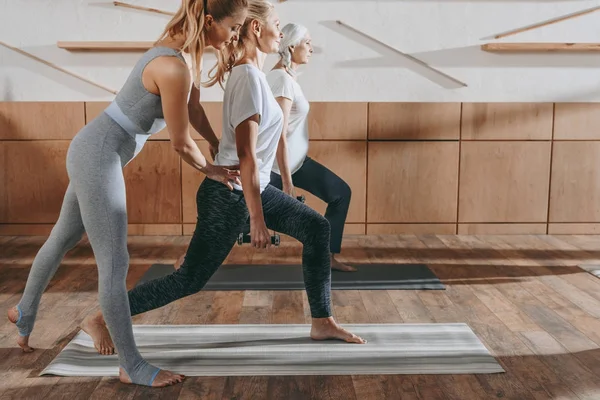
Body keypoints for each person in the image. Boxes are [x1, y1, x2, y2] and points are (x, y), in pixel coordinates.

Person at [81, 0, 367, 360]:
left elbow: (251, 149)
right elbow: (246, 155)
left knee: (317, 228)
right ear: (257, 30)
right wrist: (258, 220)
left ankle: (322, 320)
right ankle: (100, 317)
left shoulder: (257, 76)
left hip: (251, 188)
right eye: (276, 24)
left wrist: (274, 186)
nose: (282, 31)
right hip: (230, 194)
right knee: (189, 280)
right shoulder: (248, 77)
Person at [7, 0, 249, 388]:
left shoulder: (184, 54)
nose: (236, 35)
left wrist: (218, 142)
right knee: (115, 262)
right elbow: (181, 143)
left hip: (95, 151)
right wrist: (213, 169)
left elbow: (194, 110)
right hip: (97, 155)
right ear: (208, 21)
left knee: (62, 238)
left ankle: (25, 312)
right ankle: (132, 365)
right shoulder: (173, 66)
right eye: (234, 27)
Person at [267, 23, 356, 272]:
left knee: (340, 193)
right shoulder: (281, 81)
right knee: (239, 218)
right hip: (277, 168)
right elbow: (278, 135)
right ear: (292, 46)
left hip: (296, 163)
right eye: (307, 42)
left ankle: (326, 257)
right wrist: (286, 182)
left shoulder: (287, 78)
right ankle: (190, 259)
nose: (311, 48)